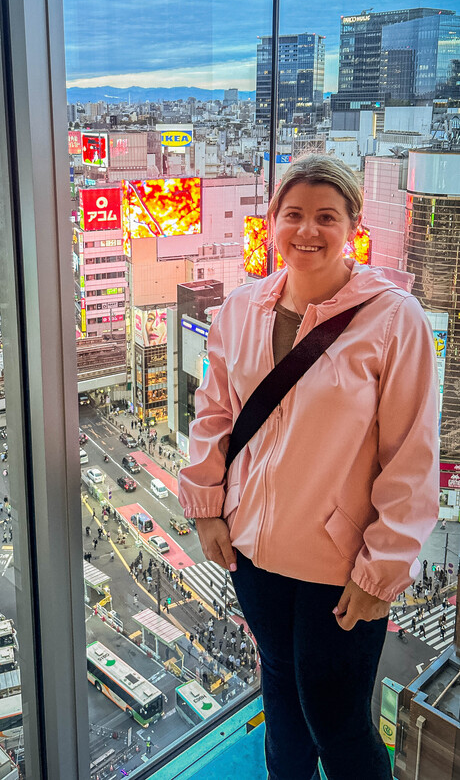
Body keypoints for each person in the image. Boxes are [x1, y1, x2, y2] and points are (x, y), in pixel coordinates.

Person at [178, 155, 439, 780]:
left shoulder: (395, 319)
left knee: (339, 722)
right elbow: (214, 412)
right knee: (281, 703)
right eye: (292, 214)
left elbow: (411, 456)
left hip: (338, 566)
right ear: (271, 222)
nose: (307, 230)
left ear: (352, 224)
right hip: (253, 553)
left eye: (326, 216)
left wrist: (382, 570)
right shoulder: (242, 307)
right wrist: (207, 508)